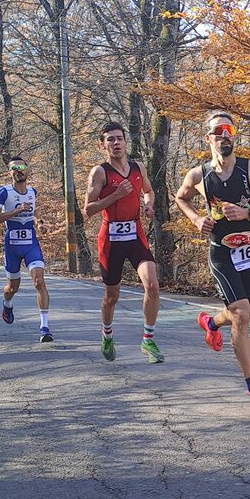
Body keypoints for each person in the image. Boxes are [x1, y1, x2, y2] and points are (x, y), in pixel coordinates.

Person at [173, 111, 250, 412]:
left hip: (249, 251)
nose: (225, 135)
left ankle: (210, 321)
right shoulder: (199, 176)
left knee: (237, 313)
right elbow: (180, 198)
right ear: (207, 138)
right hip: (221, 252)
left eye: (229, 130)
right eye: (218, 131)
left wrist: (248, 213)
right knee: (243, 314)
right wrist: (195, 218)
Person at [84, 122, 164, 363]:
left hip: (135, 235)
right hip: (110, 240)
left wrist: (148, 204)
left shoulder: (138, 167)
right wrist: (115, 195)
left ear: (126, 142)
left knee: (152, 285)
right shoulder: (100, 172)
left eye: (119, 138)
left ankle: (148, 340)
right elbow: (88, 209)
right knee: (112, 296)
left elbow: (148, 190)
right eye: (110, 139)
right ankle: (107, 333)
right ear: (103, 145)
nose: (116, 143)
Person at [0, 156, 53, 341]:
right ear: (9, 173)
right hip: (12, 245)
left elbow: (34, 212)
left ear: (27, 170)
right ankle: (7, 303)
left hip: (31, 243)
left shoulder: (33, 192)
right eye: (14, 168)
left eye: (21, 167)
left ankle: (44, 327)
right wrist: (15, 212)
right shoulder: (3, 192)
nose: (19, 170)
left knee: (39, 282)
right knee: (12, 287)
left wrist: (39, 222)